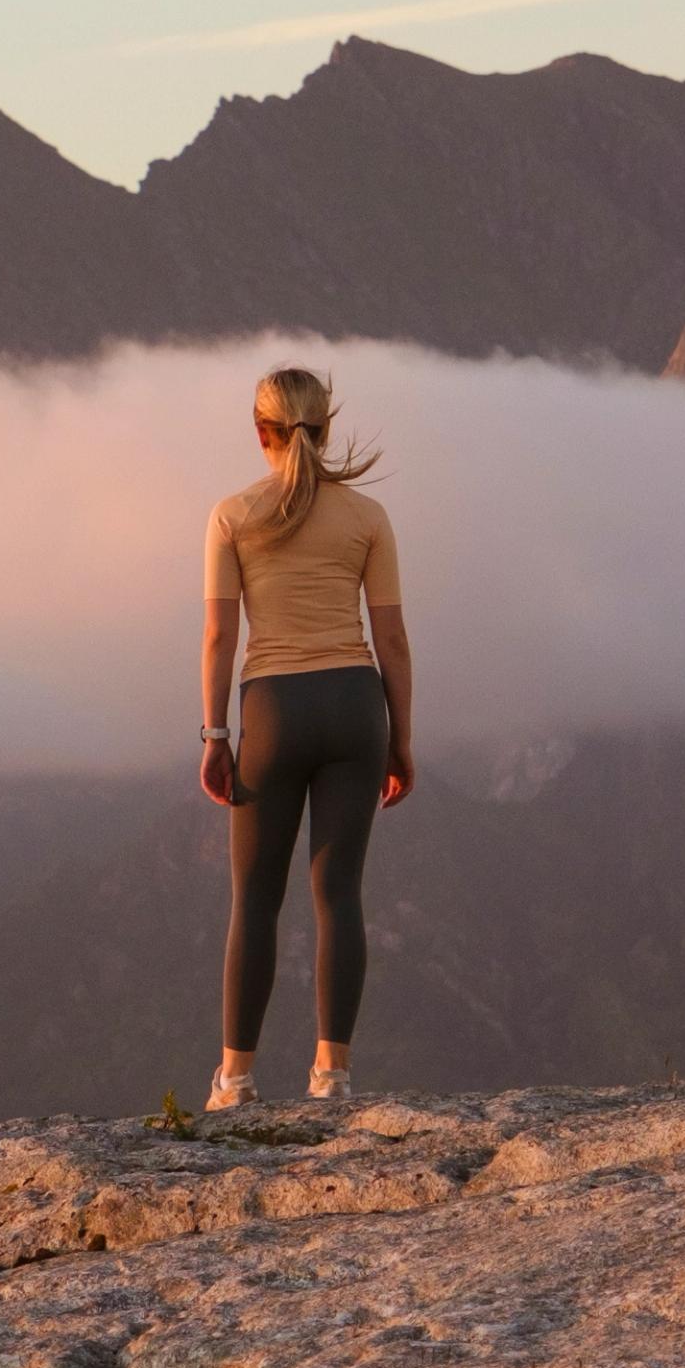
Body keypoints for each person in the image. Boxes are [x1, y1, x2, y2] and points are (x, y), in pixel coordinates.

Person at [198, 366, 413, 1107]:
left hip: (272, 713)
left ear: (262, 434)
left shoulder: (232, 515)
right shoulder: (367, 517)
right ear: (325, 431)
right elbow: (393, 638)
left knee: (255, 900)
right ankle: (332, 1076)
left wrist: (215, 734)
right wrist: (401, 739)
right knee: (338, 893)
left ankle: (236, 1079)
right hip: (356, 705)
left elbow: (221, 636)